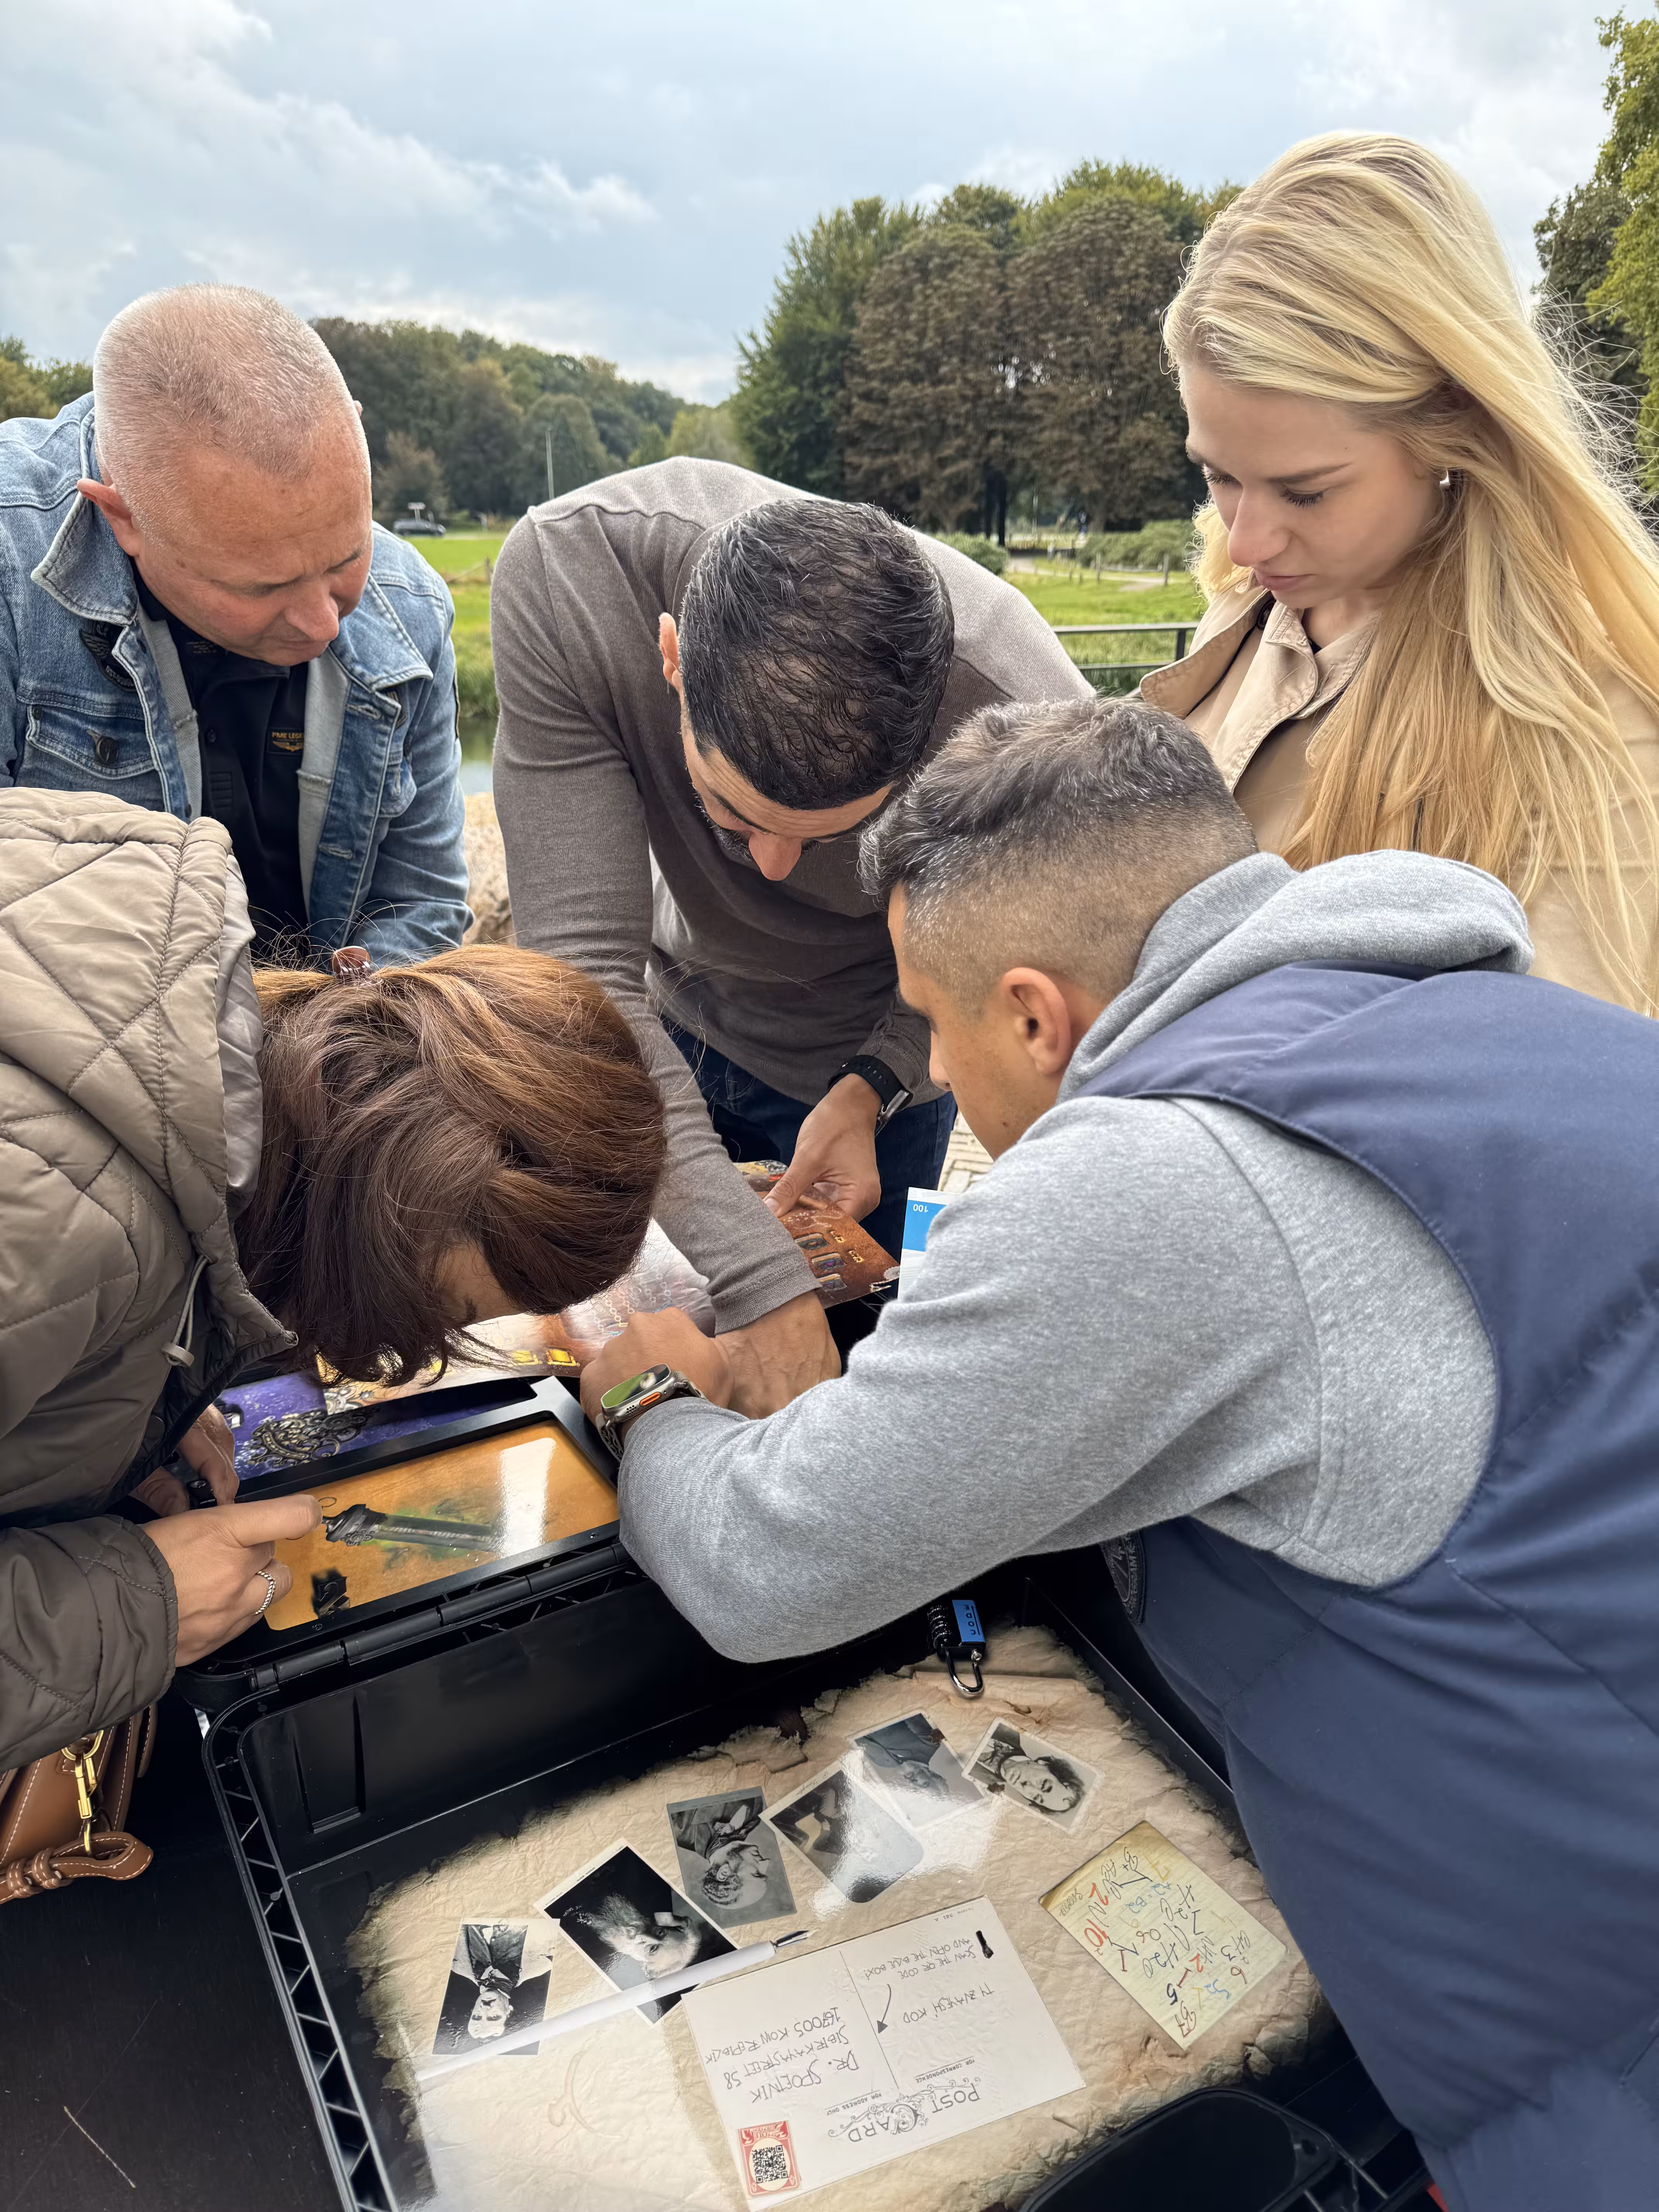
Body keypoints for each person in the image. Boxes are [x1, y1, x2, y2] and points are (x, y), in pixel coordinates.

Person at [582, 698, 1659, 2208]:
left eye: (939, 1027)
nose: (940, 1079)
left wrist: (647, 1401)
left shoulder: (1156, 1179)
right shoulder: (1534, 1025)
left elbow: (774, 1564)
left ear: (1037, 1014)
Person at [0, 787, 663, 1776]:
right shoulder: (66, 1232)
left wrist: (115, 1395)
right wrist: (129, 1612)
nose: (408, 1353)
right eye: (443, 1312)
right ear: (380, 1223)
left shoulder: (158, 950)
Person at [491, 460, 1091, 1413]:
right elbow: (584, 988)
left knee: (855, 1362)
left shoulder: (1022, 713)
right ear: (673, 658)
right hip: (664, 1021)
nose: (767, 869)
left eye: (832, 837)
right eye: (730, 813)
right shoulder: (572, 576)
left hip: (881, 1042)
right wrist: (763, 1280)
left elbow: (991, 961)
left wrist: (877, 1083)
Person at [1144, 131, 1659, 1015]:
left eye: (1305, 493)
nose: (1246, 543)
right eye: (1218, 475)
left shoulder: (1588, 724)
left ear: (1450, 426)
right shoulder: (1243, 612)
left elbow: (1562, 1108)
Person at [0, 285, 469, 967]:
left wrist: (336, 1045)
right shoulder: (12, 567)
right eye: (262, 587)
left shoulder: (413, 602)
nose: (322, 624)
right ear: (121, 516)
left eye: (347, 558)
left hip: (330, 1056)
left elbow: (423, 908)